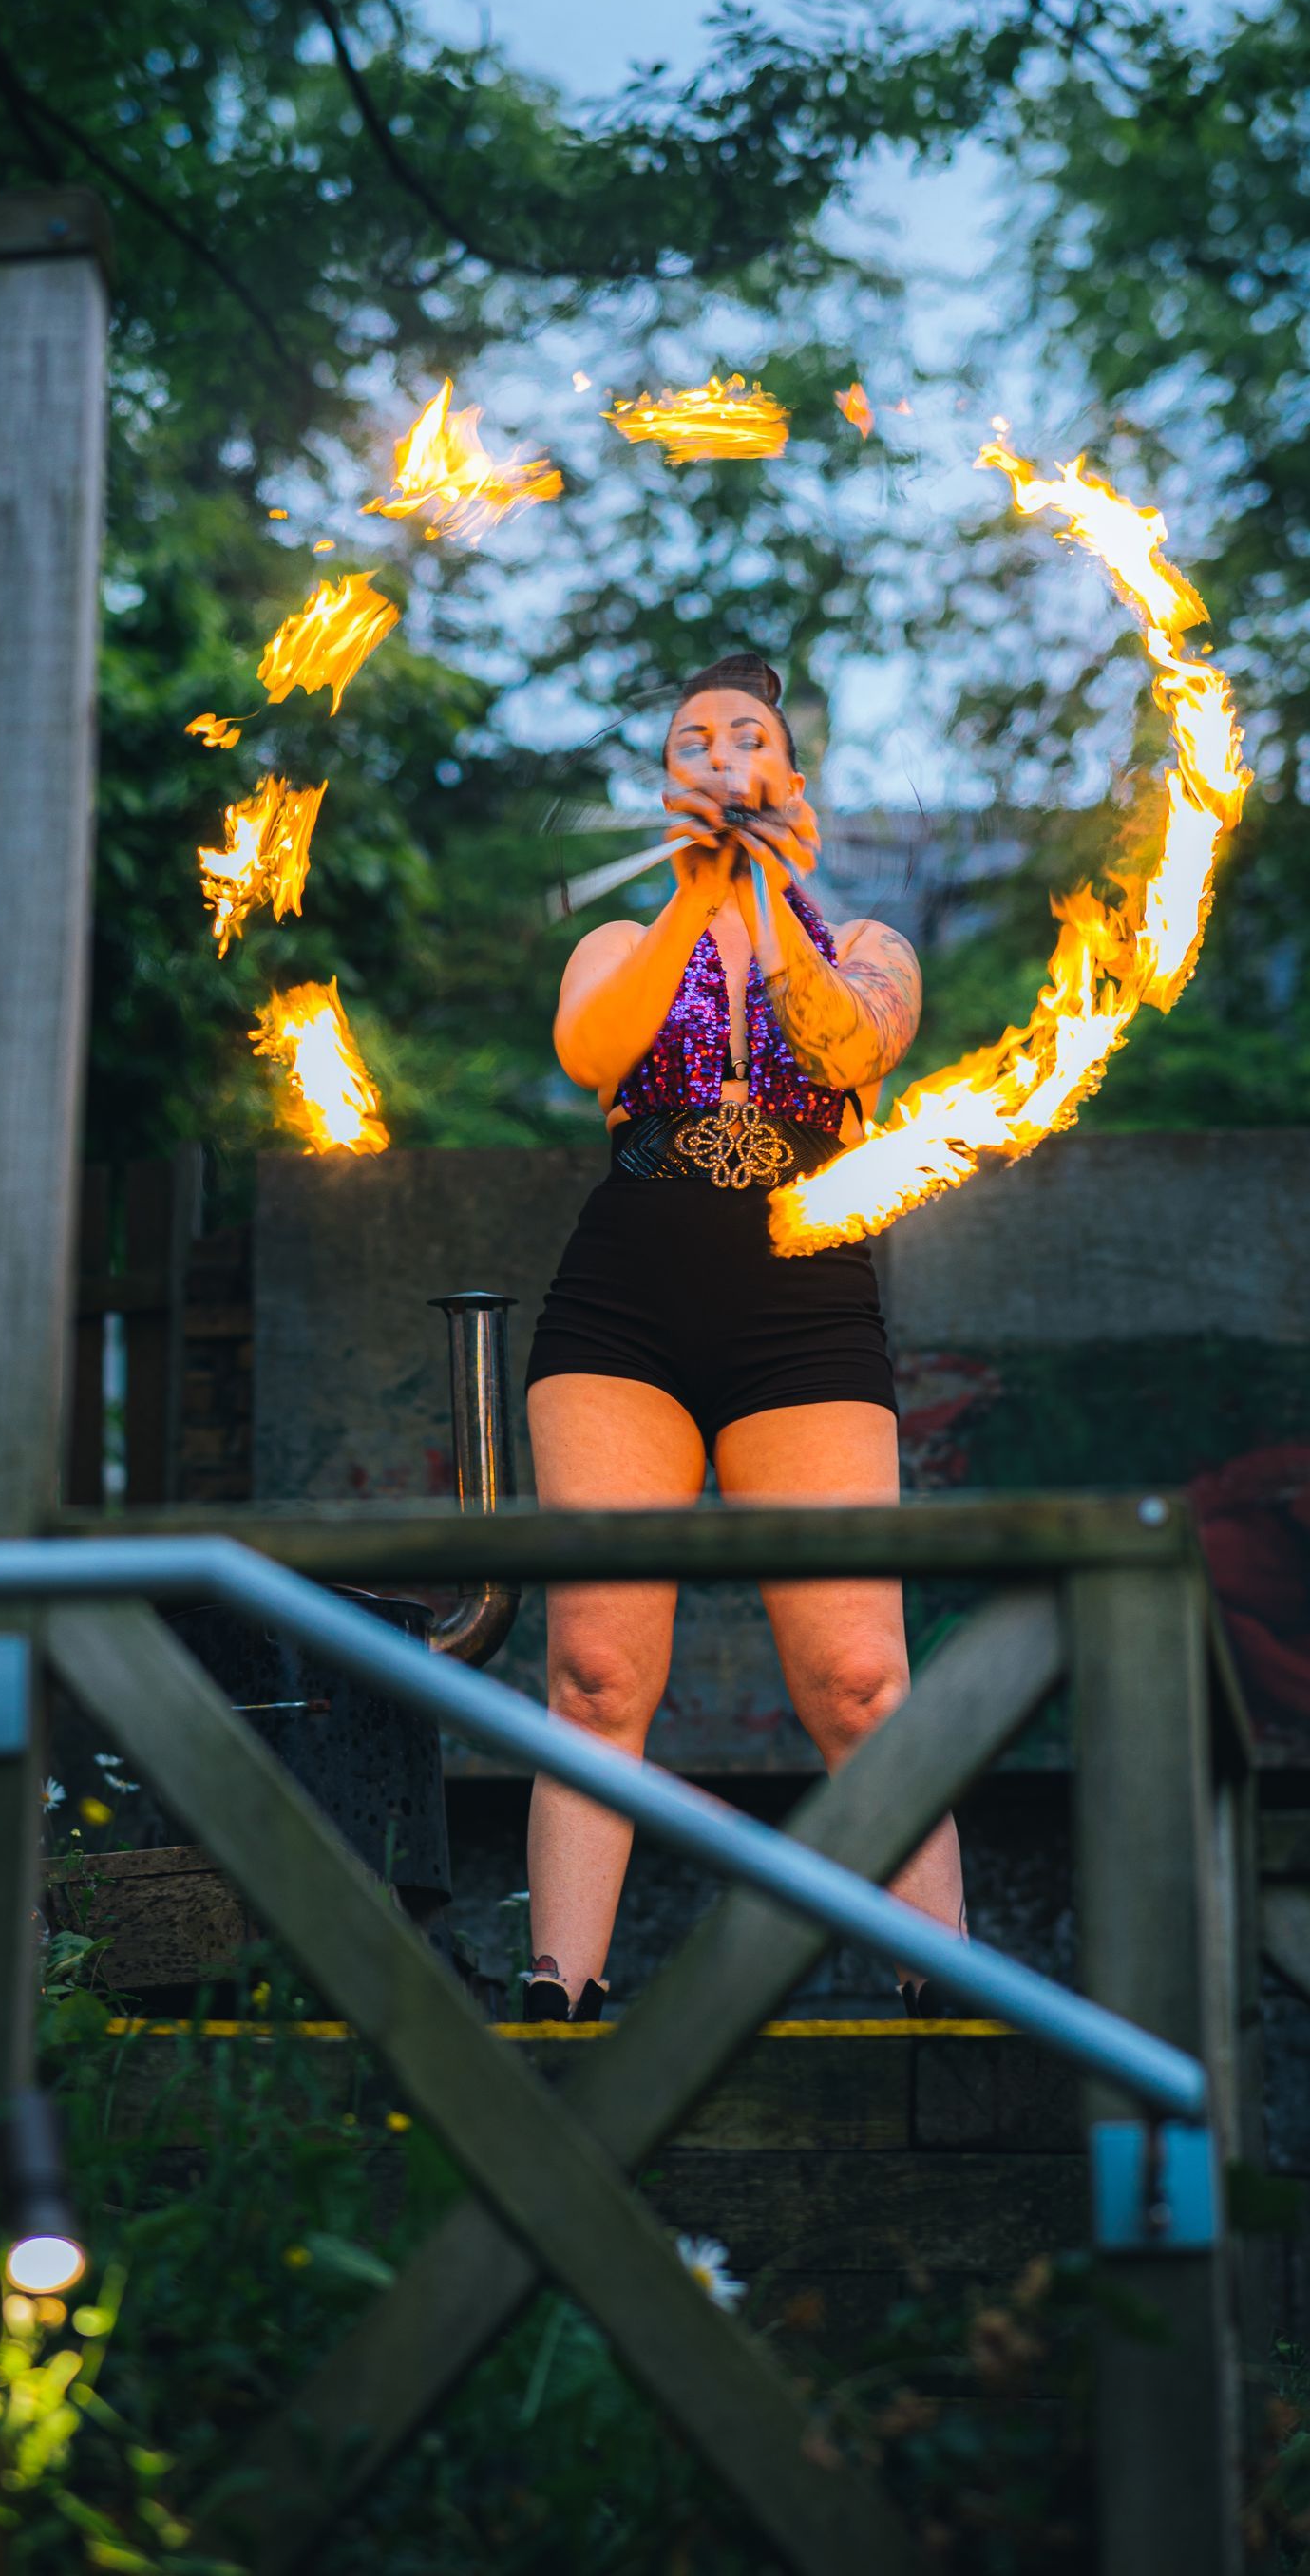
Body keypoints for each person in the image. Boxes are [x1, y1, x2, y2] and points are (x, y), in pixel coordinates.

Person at [521, 652, 965, 2023]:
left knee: (858, 1677)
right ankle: (560, 1996)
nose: (716, 755)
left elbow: (839, 1057)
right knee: (598, 1672)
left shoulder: (868, 946)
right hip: (624, 1302)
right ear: (667, 787)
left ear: (790, 781)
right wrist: (698, 901)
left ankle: (944, 1994)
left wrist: (768, 899)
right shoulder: (612, 941)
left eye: (745, 738)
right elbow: (597, 1054)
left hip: (804, 1311)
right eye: (690, 740)